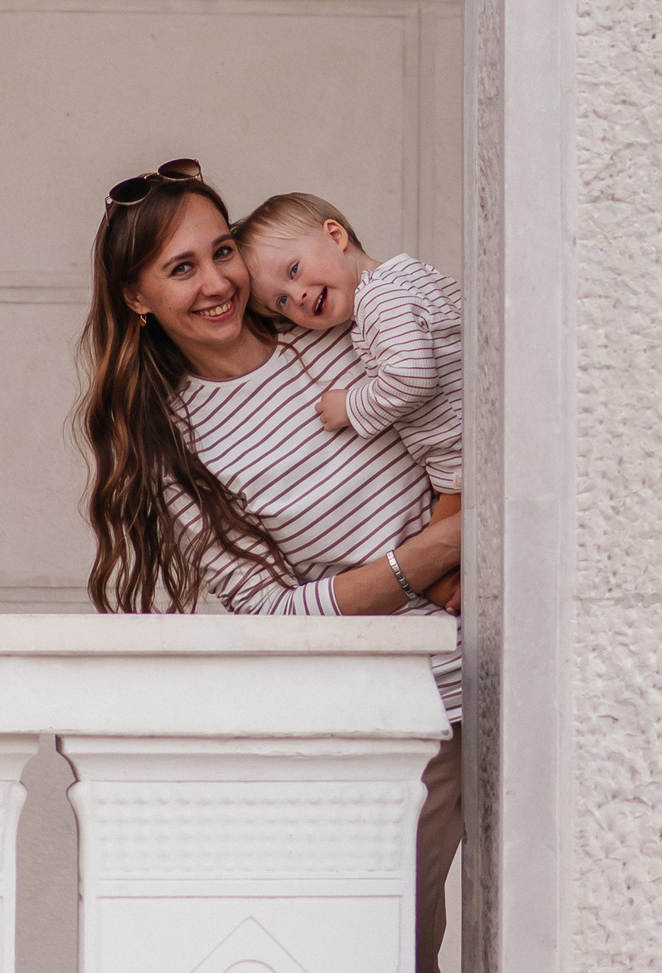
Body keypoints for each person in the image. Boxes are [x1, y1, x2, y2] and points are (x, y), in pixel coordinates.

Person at [74, 160, 463, 972]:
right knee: (390, 953)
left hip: (522, 665)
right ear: (138, 296)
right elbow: (277, 615)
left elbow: (461, 409)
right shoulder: (176, 450)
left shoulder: (330, 326)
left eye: (222, 251)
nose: (217, 281)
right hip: (403, 715)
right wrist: (431, 554)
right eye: (182, 268)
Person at [234, 193, 462, 606]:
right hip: (470, 443)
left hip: (459, 461)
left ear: (335, 235)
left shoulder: (377, 301)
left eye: (294, 270)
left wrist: (350, 407)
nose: (297, 296)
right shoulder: (409, 274)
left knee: (441, 583)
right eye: (282, 301)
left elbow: (413, 377)